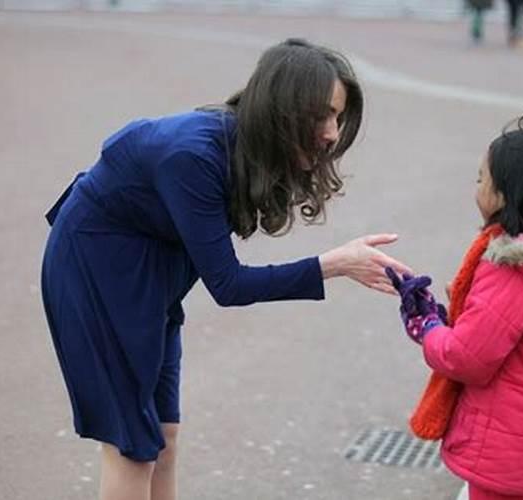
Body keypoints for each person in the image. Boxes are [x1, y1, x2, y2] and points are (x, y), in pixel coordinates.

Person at [41, 38, 411, 500]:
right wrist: (331, 265)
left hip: (151, 270)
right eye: (323, 116)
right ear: (283, 111)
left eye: (337, 117)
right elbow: (228, 285)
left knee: (164, 437)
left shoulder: (242, 148)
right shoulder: (194, 157)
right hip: (98, 268)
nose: (333, 133)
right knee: (133, 445)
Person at [387, 112, 523, 500]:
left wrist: (425, 327)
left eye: (481, 180)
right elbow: (510, 337)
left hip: (502, 440)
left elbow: (466, 358)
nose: (476, 189)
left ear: (507, 194)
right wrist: (446, 318)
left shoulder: (514, 270)